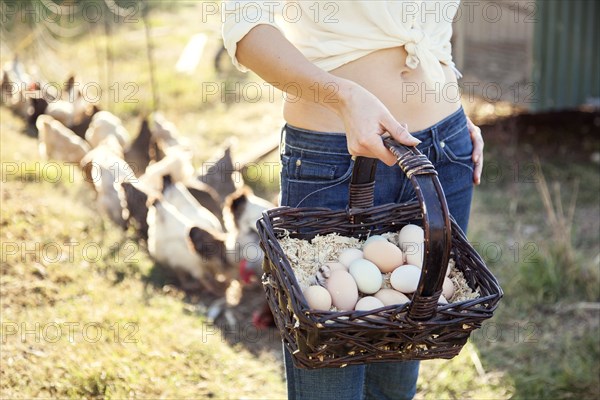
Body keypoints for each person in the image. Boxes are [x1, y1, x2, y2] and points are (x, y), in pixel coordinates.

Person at [222, 1, 484, 399]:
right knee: (328, 382)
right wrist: (342, 96)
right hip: (335, 153)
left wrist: (446, 102)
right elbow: (245, 29)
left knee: (396, 382)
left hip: (441, 151)